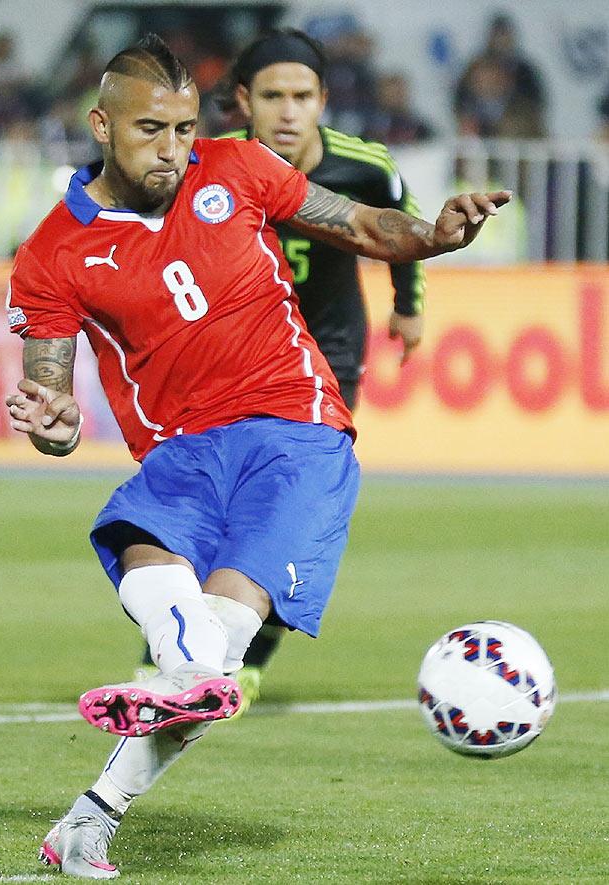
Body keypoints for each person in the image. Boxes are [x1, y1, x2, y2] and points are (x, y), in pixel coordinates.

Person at [5, 33, 509, 880]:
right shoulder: (53, 255)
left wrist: (432, 233)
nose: (172, 150)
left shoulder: (234, 168)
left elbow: (360, 224)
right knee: (165, 586)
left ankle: (131, 755)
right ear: (100, 125)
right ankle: (103, 794)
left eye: (184, 127)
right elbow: (51, 408)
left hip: (295, 428)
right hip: (178, 449)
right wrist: (51, 424)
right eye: (150, 131)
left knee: (221, 640)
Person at [200, 29, 430, 713]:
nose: (289, 111)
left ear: (324, 99)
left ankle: (245, 662)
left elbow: (401, 233)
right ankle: (185, 636)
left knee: (289, 516)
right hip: (237, 359)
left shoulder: (366, 167)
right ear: (244, 100)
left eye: (303, 96)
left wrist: (408, 306)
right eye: (273, 95)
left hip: (327, 356)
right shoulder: (212, 169)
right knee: (217, 511)